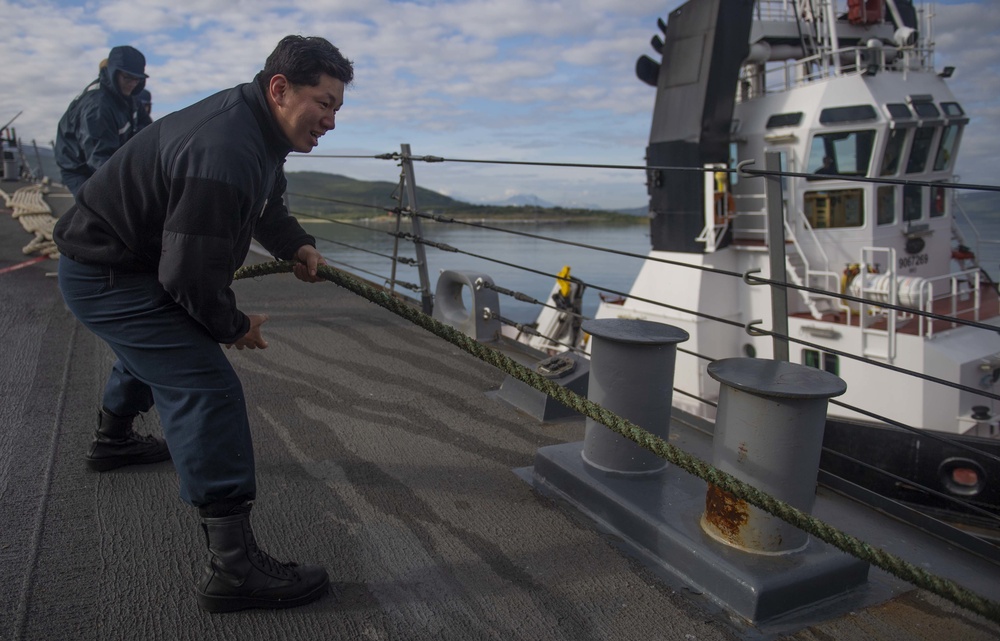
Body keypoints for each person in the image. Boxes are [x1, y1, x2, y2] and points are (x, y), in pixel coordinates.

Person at [53, 35, 353, 612]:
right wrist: (233, 324)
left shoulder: (257, 130)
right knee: (205, 384)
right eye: (324, 102)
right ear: (280, 88)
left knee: (163, 342)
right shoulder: (226, 147)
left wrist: (298, 245)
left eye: (338, 107)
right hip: (105, 275)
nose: (331, 120)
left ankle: (111, 441)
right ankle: (235, 570)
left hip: (124, 265)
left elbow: (268, 206)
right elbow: (190, 278)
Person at [54, 45, 149, 196]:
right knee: (99, 211)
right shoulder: (97, 107)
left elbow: (148, 131)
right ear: (114, 73)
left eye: (137, 79)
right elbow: (98, 158)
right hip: (81, 169)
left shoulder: (130, 99)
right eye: (128, 78)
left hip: (110, 160)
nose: (132, 83)